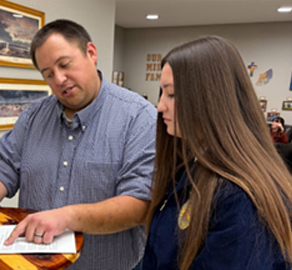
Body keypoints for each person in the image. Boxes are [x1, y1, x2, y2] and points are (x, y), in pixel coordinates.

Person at [0, 19, 157, 270]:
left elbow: (139, 204)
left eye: (65, 64)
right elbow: (4, 167)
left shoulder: (139, 118)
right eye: (48, 74)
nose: (59, 79)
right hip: (34, 264)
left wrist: (66, 217)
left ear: (91, 53)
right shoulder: (32, 117)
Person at [142, 36, 292, 269]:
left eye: (171, 94)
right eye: (161, 93)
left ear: (208, 99)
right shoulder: (191, 166)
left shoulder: (240, 200)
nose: (160, 105)